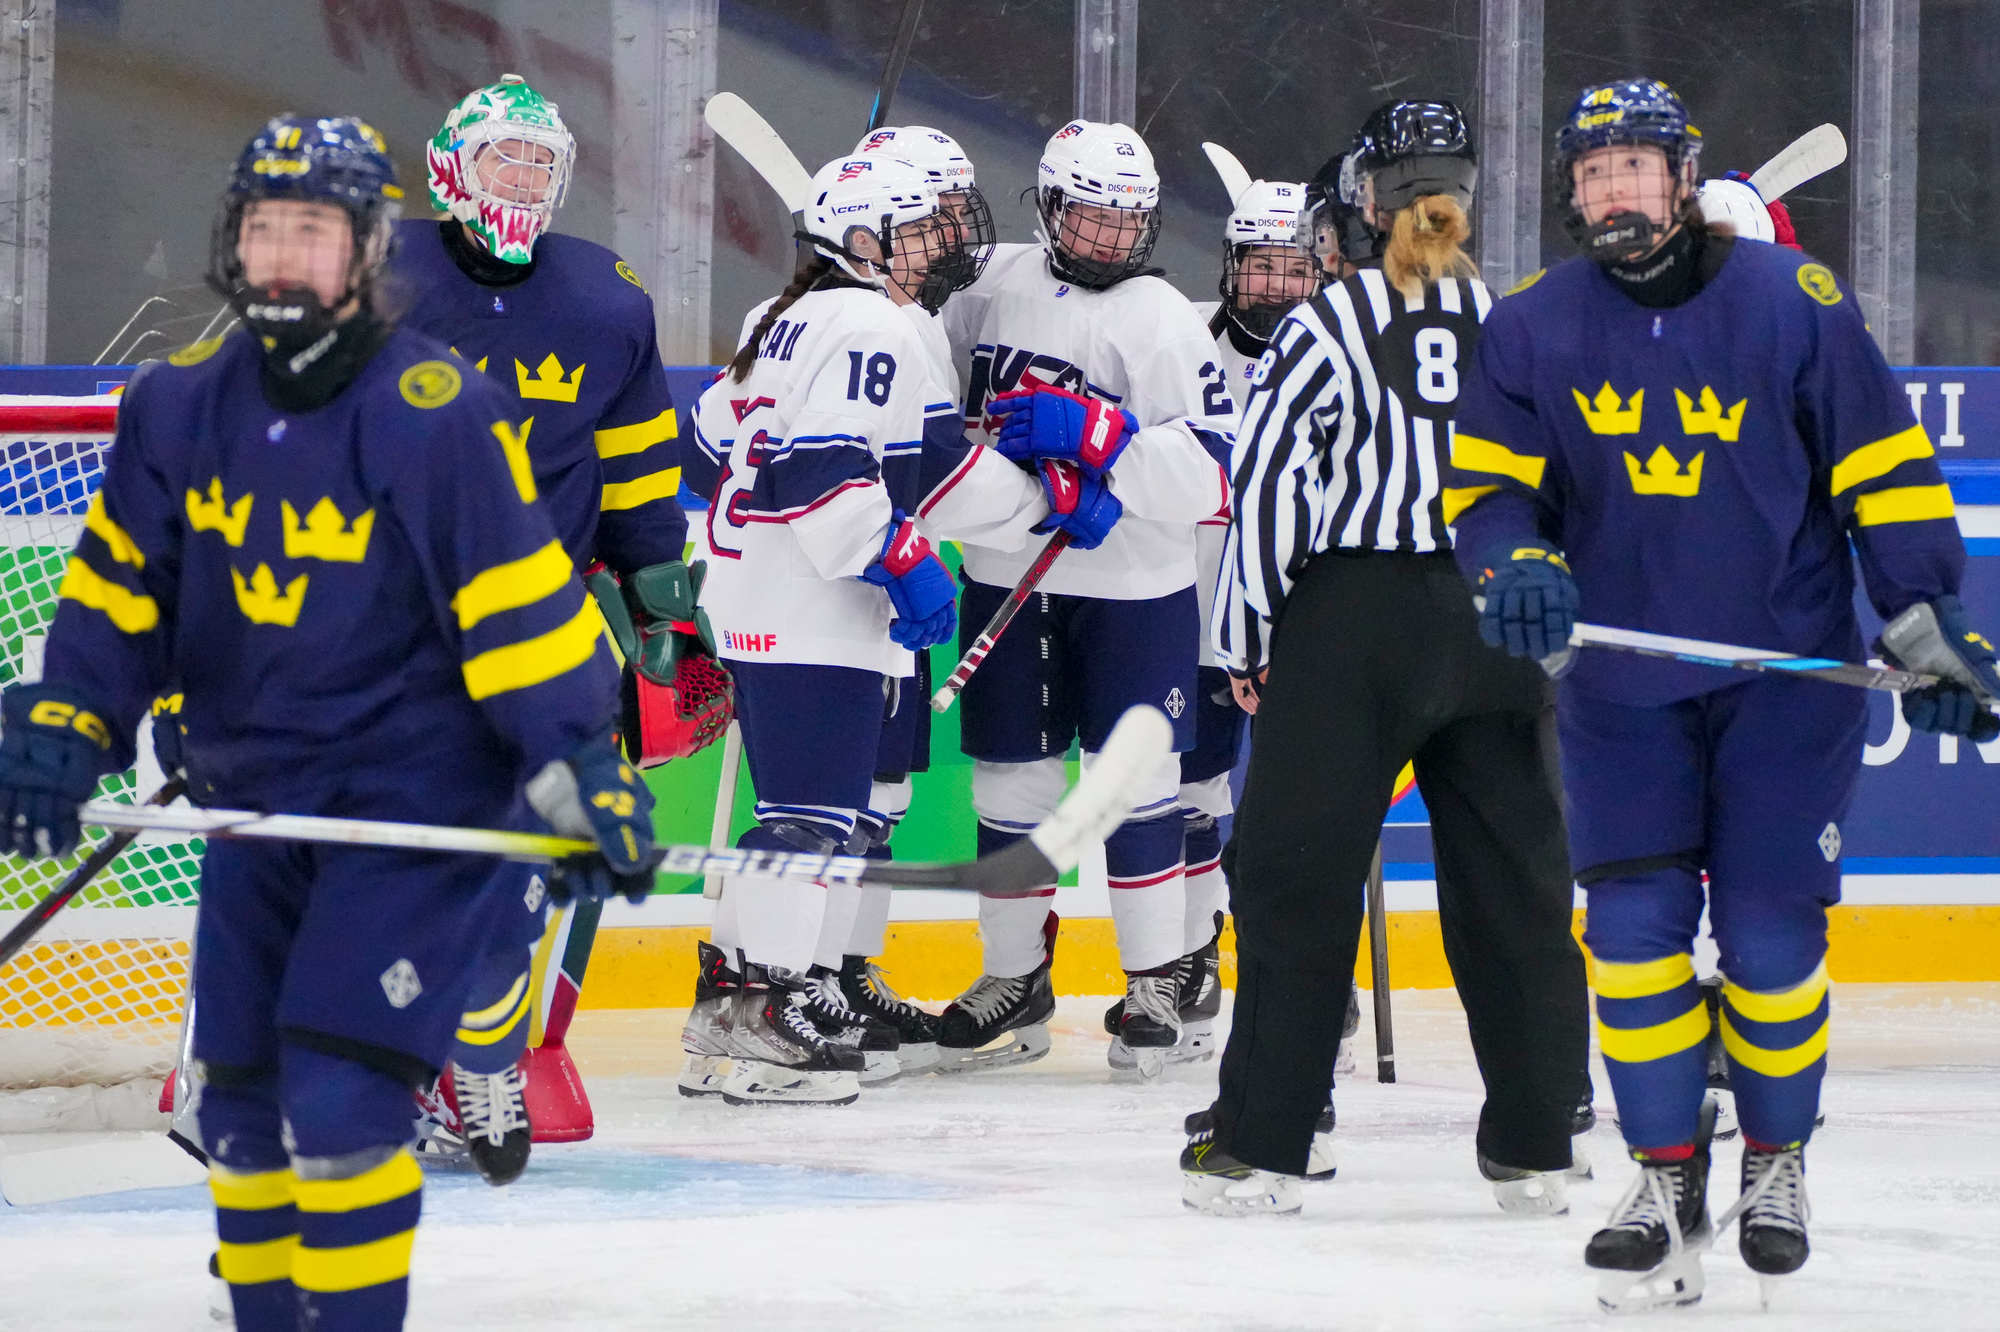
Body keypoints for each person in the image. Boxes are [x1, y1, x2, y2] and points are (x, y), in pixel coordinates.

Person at [0, 115, 652, 1331]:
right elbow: (121, 594)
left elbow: (521, 611)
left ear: (363, 250)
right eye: (267, 228)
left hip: (412, 812)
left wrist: (572, 756)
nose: (286, 253)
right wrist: (68, 722)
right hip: (257, 807)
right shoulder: (178, 407)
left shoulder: (434, 409)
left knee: (343, 1101)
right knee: (244, 1107)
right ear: (232, 241)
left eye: (315, 230)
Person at [1446, 77, 2000, 1311]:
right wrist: (1513, 561)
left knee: (1768, 938)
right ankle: (1658, 1174)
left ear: (1682, 179)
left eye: (1633, 168)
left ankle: (1774, 1159)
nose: (1612, 192)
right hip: (1617, 692)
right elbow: (1486, 489)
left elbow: (1882, 471)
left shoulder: (1791, 302)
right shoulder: (1531, 326)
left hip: (1784, 690)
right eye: (1591, 173)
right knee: (1630, 933)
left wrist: (1922, 619)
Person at [1182, 99, 1590, 1219]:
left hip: (1353, 622)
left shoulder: (1325, 323)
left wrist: (1242, 635)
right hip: (1492, 619)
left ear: (1365, 200)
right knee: (1515, 888)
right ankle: (1539, 1143)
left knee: (1293, 885)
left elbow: (1271, 487)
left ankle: (1263, 1146)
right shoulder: (1506, 318)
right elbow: (1554, 478)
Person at [681, 151, 1053, 1104]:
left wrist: (1017, 509)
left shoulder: (783, 317)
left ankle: (731, 1009)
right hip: (816, 606)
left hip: (756, 596)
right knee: (811, 819)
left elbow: (712, 445)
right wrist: (899, 556)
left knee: (796, 814)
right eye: (919, 229)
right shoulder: (870, 323)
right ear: (859, 241)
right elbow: (829, 475)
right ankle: (767, 1017)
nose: (941, 243)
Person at [931, 119, 1236, 1078]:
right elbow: (929, 404)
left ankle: (1154, 980)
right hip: (1005, 574)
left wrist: (1109, 448)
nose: (1111, 237)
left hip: (1135, 589)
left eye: (1129, 220)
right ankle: (1014, 978)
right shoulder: (988, 287)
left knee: (1137, 785)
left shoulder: (1163, 318)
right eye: (1093, 217)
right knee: (1009, 784)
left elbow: (1216, 470)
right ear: (1051, 206)